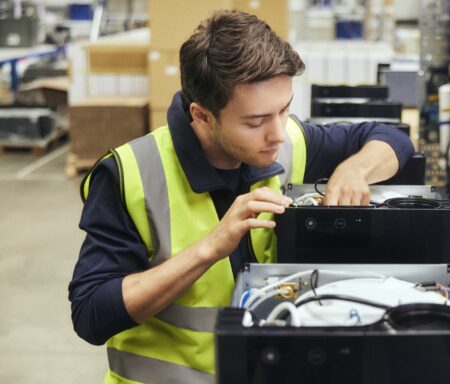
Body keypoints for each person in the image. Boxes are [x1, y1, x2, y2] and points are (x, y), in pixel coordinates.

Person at [68, 10, 414, 383]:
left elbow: (392, 138)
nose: (278, 132)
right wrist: (210, 248)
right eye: (255, 122)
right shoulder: (131, 174)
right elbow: (91, 315)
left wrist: (356, 169)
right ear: (201, 116)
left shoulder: (289, 143)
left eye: (284, 109)